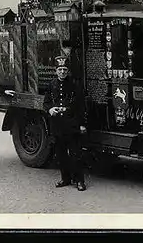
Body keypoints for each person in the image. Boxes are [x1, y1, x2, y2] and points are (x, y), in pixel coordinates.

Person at [43, 55, 87, 190]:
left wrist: (82, 124)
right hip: (57, 125)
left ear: (68, 71)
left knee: (75, 154)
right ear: (56, 71)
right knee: (61, 154)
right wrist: (50, 109)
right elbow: (46, 102)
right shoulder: (51, 85)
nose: (62, 72)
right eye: (60, 69)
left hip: (72, 124)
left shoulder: (74, 85)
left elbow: (81, 106)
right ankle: (65, 179)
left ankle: (79, 181)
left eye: (65, 69)